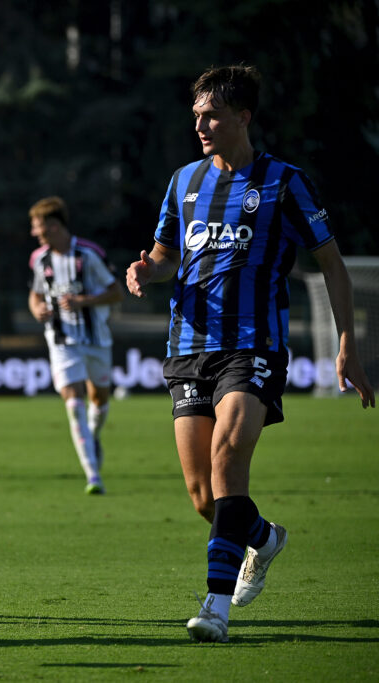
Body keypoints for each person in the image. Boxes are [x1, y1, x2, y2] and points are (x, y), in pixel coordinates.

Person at [126, 65, 375, 643]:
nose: (201, 125)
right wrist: (147, 270)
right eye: (196, 116)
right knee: (203, 497)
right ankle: (263, 538)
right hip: (188, 349)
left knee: (228, 459)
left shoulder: (285, 182)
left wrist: (346, 345)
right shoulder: (183, 181)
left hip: (253, 347)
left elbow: (332, 265)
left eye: (211, 115)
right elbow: (165, 256)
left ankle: (214, 608)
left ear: (243, 116)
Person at [27, 196, 123, 494]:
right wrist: (37, 309)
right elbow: (35, 294)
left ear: (55, 226)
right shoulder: (39, 259)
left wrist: (84, 301)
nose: (35, 234)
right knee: (73, 400)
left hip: (96, 339)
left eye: (39, 228)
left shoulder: (90, 254)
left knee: (100, 400)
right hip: (61, 340)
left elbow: (116, 292)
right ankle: (93, 474)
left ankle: (93, 436)